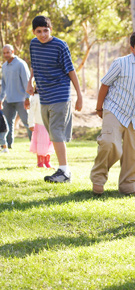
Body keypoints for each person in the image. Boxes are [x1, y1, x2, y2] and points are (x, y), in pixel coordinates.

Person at [90, 30, 135, 196]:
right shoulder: (120, 63)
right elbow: (105, 85)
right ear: (132, 48)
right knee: (109, 143)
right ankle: (98, 179)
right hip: (115, 109)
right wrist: (99, 108)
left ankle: (130, 186)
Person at [27, 15, 83, 183]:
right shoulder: (34, 44)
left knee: (57, 133)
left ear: (50, 30)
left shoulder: (60, 45)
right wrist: (30, 81)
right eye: (39, 31)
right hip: (44, 95)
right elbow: (34, 64)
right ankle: (63, 170)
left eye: (46, 30)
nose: (43, 34)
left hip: (60, 93)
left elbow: (71, 70)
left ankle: (64, 172)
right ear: (34, 32)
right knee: (52, 133)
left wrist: (79, 95)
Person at [0, 44, 32, 150]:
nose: (6, 55)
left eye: (8, 52)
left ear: (13, 52)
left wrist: (28, 98)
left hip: (21, 99)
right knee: (7, 124)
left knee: (28, 122)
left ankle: (34, 144)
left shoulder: (21, 64)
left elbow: (27, 82)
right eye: (4, 53)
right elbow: (4, 84)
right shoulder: (4, 66)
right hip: (8, 100)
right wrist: (1, 99)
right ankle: (8, 145)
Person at [28, 91, 54, 168]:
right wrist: (30, 123)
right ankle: (40, 162)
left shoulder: (51, 96)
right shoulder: (35, 97)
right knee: (41, 143)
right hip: (40, 124)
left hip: (49, 124)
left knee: (48, 143)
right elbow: (31, 111)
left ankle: (47, 161)